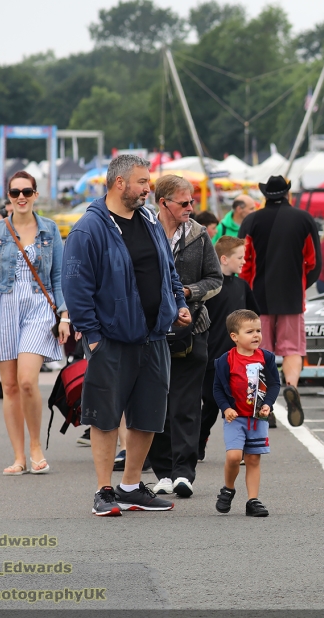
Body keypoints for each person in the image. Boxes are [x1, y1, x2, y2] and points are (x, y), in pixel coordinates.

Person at [62, 154, 191, 516]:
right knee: (104, 416)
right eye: (143, 182)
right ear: (120, 184)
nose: (148, 189)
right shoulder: (89, 228)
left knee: (149, 413)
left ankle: (131, 486)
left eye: (148, 182)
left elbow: (168, 270)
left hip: (154, 335)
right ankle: (104, 491)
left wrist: (177, 304)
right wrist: (93, 336)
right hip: (111, 340)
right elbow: (75, 287)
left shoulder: (149, 221)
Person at [0, 171, 70, 476]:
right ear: (9, 197)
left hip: (39, 305)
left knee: (27, 380)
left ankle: (36, 446)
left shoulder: (50, 229)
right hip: (2, 305)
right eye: (15, 193)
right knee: (10, 386)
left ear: (36, 194)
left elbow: (59, 278)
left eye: (27, 191)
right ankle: (19, 456)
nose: (21, 197)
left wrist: (64, 316)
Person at [146, 174, 222, 498]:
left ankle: (184, 473)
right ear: (163, 203)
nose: (191, 208)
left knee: (187, 404)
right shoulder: (143, 230)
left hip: (194, 328)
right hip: (151, 330)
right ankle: (162, 471)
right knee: (155, 401)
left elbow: (216, 279)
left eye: (192, 201)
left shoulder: (199, 234)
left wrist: (189, 293)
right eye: (184, 202)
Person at [238, 175, 319, 427]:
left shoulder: (251, 221)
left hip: (257, 299)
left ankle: (264, 406)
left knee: (259, 352)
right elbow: (314, 262)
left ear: (264, 196)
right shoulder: (304, 219)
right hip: (292, 296)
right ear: (287, 194)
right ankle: (292, 386)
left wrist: (244, 292)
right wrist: (302, 283)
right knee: (293, 349)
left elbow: (244, 261)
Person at [212, 309, 280, 517]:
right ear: (235, 337)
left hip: (257, 418)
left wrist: (268, 403)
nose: (256, 335)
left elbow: (275, 383)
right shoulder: (225, 361)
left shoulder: (265, 358)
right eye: (249, 331)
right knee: (233, 457)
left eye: (258, 330)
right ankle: (228, 488)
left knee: (253, 459)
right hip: (235, 418)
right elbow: (217, 388)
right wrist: (226, 408)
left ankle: (253, 500)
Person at [199, 236, 261, 462]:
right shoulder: (211, 287)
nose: (244, 261)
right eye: (240, 257)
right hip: (212, 356)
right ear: (224, 259)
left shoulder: (242, 286)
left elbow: (254, 314)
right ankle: (198, 440)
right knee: (211, 403)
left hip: (240, 358)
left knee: (241, 403)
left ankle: (242, 447)